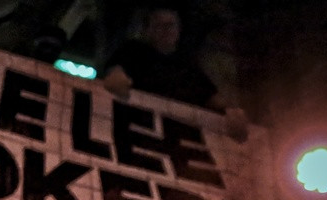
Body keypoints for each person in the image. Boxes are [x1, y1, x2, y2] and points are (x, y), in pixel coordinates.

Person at [102, 2, 247, 141]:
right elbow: (114, 72)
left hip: (180, 141)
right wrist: (116, 78)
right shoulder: (132, 52)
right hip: (138, 134)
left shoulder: (188, 67)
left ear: (179, 30)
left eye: (171, 25)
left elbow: (212, 97)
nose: (166, 30)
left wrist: (232, 111)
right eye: (159, 25)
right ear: (147, 30)